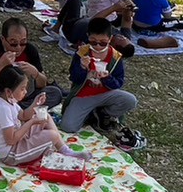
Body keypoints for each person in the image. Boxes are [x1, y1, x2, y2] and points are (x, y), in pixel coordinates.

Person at [61, 18, 144, 148]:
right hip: (84, 96)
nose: (98, 46)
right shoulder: (82, 53)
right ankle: (93, 114)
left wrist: (107, 78)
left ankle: (104, 114)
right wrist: (82, 68)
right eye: (93, 42)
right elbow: (74, 78)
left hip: (107, 94)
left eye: (103, 43)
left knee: (130, 100)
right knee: (68, 126)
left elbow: (118, 83)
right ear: (88, 37)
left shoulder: (115, 57)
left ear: (110, 39)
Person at [0, 66, 89, 166]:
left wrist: (36, 103)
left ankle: (65, 150)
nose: (25, 92)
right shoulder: (2, 108)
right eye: (22, 89)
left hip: (17, 140)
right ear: (8, 91)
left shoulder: (9, 100)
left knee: (46, 117)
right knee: (52, 135)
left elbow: (23, 115)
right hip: (10, 154)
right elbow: (11, 140)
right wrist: (32, 122)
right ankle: (48, 149)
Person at [0, 17, 63, 118]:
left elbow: (43, 83)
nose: (19, 48)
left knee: (55, 93)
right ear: (3, 39)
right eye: (13, 43)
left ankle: (12, 113)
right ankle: (22, 112)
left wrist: (35, 73)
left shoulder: (30, 50)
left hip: (24, 95)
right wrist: (0, 65)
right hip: (0, 95)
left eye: (23, 42)